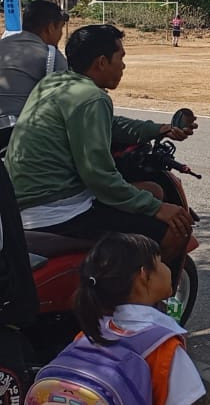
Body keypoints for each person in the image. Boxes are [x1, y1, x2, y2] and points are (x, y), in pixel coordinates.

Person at [7, 25, 196, 273]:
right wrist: (158, 209)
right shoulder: (92, 98)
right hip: (57, 210)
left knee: (152, 189)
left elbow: (111, 124)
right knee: (177, 228)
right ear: (101, 62)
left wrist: (159, 129)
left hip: (22, 202)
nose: (124, 66)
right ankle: (142, 297)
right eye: (121, 58)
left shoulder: (54, 82)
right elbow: (100, 178)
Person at [26, 232, 205, 405]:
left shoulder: (86, 335)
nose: (167, 269)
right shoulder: (163, 348)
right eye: (160, 262)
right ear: (144, 276)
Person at [0, 0, 69, 140]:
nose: (61, 35)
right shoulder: (50, 55)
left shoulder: (3, 45)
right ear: (50, 28)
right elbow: (63, 103)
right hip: (18, 134)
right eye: (60, 28)